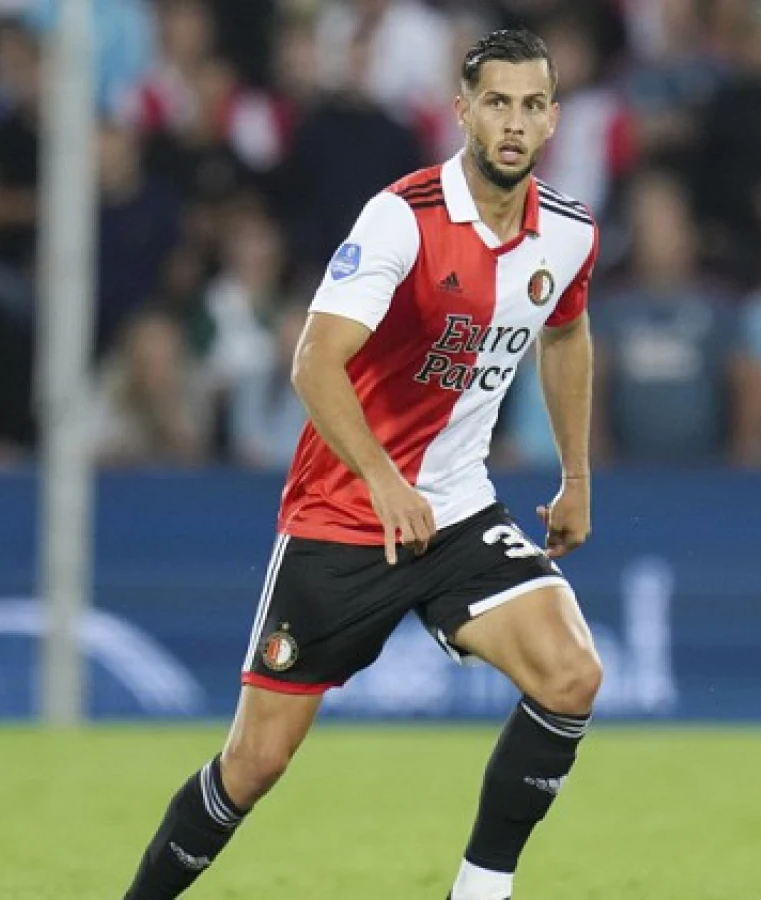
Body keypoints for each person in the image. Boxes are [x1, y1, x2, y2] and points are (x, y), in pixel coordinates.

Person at [120, 29, 602, 900]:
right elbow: (313, 360)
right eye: (497, 102)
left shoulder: (567, 235)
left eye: (533, 106)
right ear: (462, 110)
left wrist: (576, 476)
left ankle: (478, 894)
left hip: (456, 509)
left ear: (554, 119)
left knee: (572, 673)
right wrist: (384, 479)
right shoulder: (402, 217)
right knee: (254, 764)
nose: (514, 123)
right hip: (345, 515)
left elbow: (565, 332)